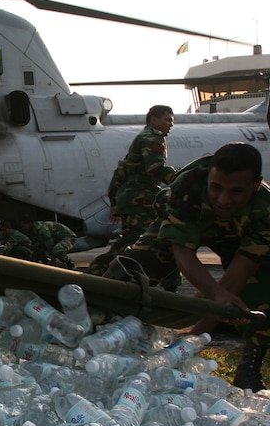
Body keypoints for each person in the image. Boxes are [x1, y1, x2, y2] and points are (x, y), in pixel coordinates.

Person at [103, 142, 270, 390]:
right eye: (216, 188)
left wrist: (192, 341)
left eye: (236, 191)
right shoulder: (190, 183)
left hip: (236, 237)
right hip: (183, 226)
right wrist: (215, 294)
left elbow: (238, 275)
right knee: (132, 272)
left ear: (256, 185)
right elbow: (182, 251)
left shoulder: (265, 209)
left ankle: (249, 370)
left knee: (264, 288)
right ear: (208, 179)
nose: (223, 199)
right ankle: (102, 337)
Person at [86, 105, 177, 275]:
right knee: (142, 238)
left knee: (136, 238)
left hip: (132, 198)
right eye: (167, 120)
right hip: (142, 198)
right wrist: (180, 179)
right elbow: (156, 168)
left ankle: (100, 273)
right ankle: (97, 273)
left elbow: (121, 170)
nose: (170, 124)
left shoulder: (142, 137)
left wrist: (115, 199)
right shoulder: (153, 138)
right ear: (154, 120)